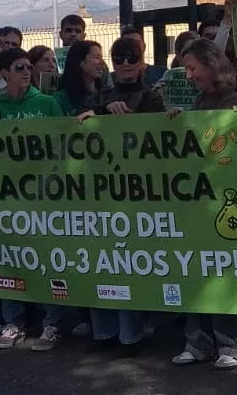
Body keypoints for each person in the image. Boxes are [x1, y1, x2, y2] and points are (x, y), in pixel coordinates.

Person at [69, 36, 163, 356]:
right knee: (100, 263)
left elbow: (159, 142)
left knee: (127, 264)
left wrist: (128, 123)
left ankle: (130, 335)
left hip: (135, 195)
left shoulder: (152, 97)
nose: (124, 64)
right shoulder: (102, 95)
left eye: (130, 58)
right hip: (100, 194)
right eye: (118, 58)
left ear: (141, 62)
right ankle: (104, 331)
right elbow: (80, 124)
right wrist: (94, 114)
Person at [170, 38, 237, 368]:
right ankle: (199, 341)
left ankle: (232, 343)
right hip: (199, 201)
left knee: (222, 269)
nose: (188, 75)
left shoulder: (232, 100)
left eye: (191, 68)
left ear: (210, 64)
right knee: (195, 269)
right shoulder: (200, 100)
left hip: (223, 201)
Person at [0, 47, 68, 350]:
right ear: (5, 73)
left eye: (28, 66)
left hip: (44, 197)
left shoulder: (48, 104)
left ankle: (52, 324)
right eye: (19, 67)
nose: (26, 71)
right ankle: (13, 321)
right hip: (8, 196)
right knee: (9, 260)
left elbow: (66, 145)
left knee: (48, 260)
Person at [55, 40, 106, 116]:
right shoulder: (59, 99)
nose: (102, 62)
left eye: (101, 57)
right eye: (96, 57)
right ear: (80, 61)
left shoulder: (107, 95)